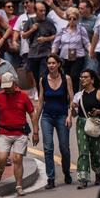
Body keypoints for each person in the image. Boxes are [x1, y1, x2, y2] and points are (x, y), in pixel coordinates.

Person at [33, 55, 73, 190]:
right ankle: (51, 178)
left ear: (59, 64)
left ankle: (66, 171)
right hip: (47, 117)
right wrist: (35, 126)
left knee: (64, 148)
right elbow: (40, 102)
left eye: (53, 63)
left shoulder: (66, 79)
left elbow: (71, 100)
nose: (51, 65)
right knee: (48, 147)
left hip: (62, 116)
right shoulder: (43, 80)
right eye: (49, 63)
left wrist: (69, 116)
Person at [51, 7, 92, 85]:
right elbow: (56, 44)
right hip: (64, 57)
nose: (72, 21)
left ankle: (75, 95)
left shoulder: (81, 30)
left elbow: (86, 43)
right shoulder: (62, 30)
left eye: (74, 18)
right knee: (65, 77)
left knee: (74, 76)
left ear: (77, 19)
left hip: (78, 57)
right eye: (70, 18)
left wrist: (91, 51)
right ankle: (67, 95)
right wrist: (53, 54)